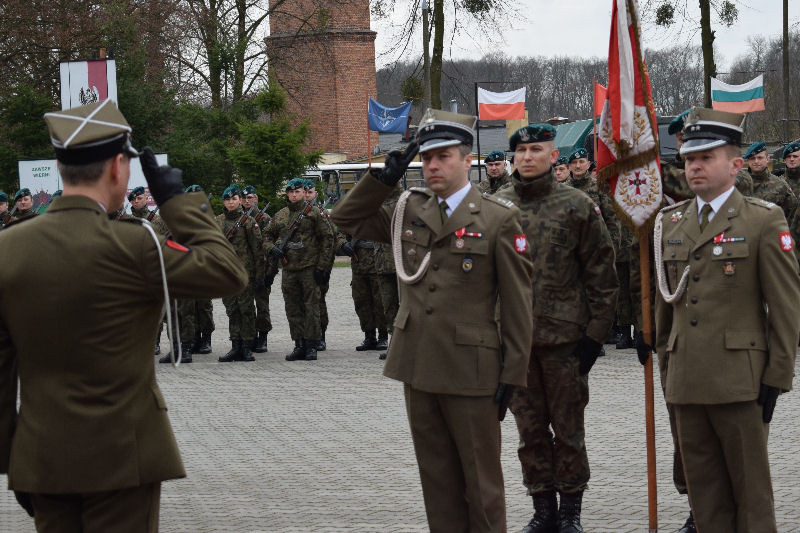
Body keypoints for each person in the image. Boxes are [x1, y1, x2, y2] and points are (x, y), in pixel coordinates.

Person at [0, 100, 247, 532]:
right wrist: (177, 202)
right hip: (124, 455)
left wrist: (11, 458)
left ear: (61, 167)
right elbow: (228, 272)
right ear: (118, 167)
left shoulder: (8, 250)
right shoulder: (137, 246)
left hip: (43, 456)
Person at [331, 108, 534, 533]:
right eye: (426, 158)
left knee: (481, 485)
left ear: (466, 159)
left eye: (443, 156)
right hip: (418, 364)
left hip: (472, 370)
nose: (433, 165)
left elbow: (517, 304)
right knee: (437, 482)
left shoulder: (498, 218)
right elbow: (345, 220)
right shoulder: (408, 209)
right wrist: (381, 180)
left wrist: (513, 373)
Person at [652, 107, 800, 533]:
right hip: (686, 383)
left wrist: (777, 378)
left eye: (706, 158)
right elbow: (667, 310)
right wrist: (667, 371)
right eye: (690, 159)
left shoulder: (762, 219)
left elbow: (786, 307)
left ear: (735, 165)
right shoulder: (671, 222)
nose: (694, 166)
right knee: (706, 500)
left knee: (751, 499)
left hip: (741, 382)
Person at [493, 124, 618, 533]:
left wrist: (595, 336)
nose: (527, 157)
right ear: (513, 157)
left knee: (568, 430)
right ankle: (542, 509)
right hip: (516, 345)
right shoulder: (496, 206)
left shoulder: (578, 205)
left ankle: (570, 514)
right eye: (521, 150)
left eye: (536, 149)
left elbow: (602, 273)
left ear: (552, 155)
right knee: (529, 433)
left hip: (566, 343)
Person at [264, 178, 334, 361]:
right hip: (289, 269)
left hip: (310, 268)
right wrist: (272, 248)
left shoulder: (314, 213)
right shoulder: (280, 215)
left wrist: (323, 267)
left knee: (311, 308)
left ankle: (312, 345)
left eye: (298, 192)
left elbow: (327, 239)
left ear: (304, 192)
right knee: (293, 308)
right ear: (287, 194)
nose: (294, 195)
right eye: (291, 192)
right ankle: (299, 344)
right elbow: (265, 237)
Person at [215, 185, 265, 362]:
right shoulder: (217, 221)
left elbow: (258, 251)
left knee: (246, 310)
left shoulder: (249, 222)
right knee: (232, 310)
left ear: (239, 201)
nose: (231, 202)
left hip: (245, 274)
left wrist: (260, 276)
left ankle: (247, 347)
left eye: (234, 199)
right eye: (227, 200)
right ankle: (235, 345)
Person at [304, 179, 336, 351]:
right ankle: (306, 337)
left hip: (319, 266)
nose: (307, 196)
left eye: (310, 192)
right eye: (305, 192)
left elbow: (330, 242)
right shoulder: (298, 214)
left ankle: (320, 336)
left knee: (318, 302)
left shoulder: (321, 214)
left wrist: (325, 268)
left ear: (315, 194)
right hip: (303, 266)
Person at [242, 184, 272, 353]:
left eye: (250, 198)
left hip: (260, 267)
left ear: (256, 199)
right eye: (245, 198)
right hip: (244, 268)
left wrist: (267, 271)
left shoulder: (263, 218)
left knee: (261, 304)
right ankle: (249, 336)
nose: (247, 201)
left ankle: (263, 337)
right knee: (245, 305)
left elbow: (267, 244)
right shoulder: (238, 218)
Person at [744, 142, 797, 222]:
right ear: (748, 161)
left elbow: (793, 215)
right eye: (752, 158)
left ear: (767, 159)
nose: (756, 161)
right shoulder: (740, 185)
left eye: (760, 158)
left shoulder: (780, 185)